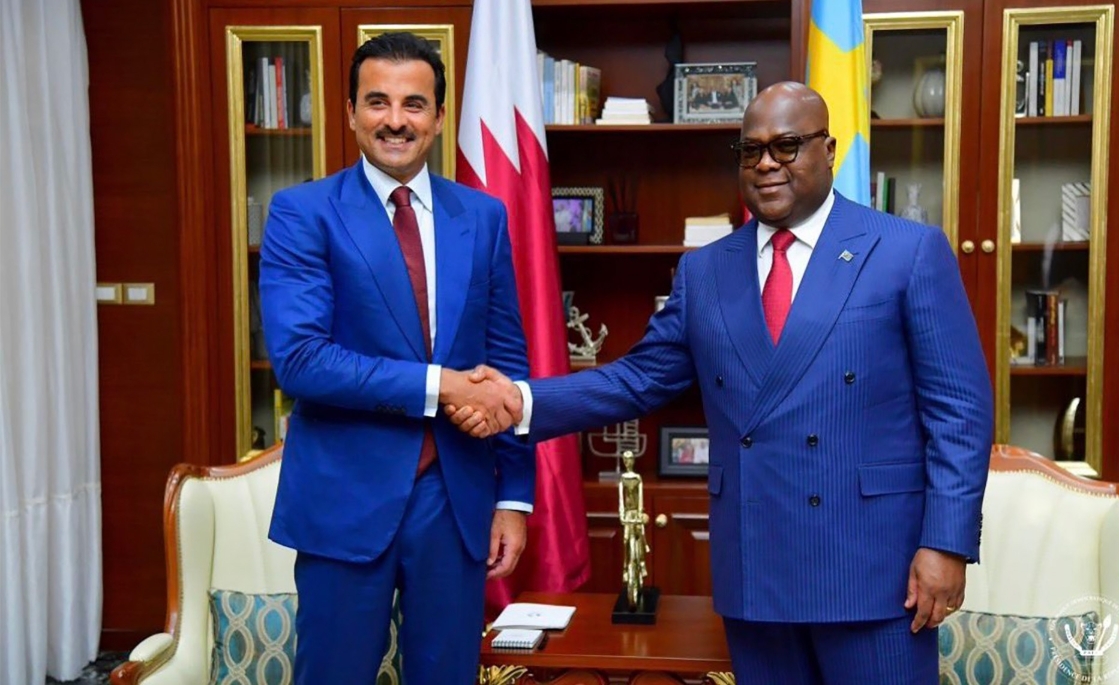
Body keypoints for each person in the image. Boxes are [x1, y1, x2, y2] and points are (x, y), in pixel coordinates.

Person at [450, 82, 993, 685]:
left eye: (787, 146)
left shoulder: (906, 250)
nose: (765, 163)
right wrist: (520, 400)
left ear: (829, 150)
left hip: (875, 570)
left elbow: (960, 412)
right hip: (756, 566)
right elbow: (641, 378)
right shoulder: (706, 268)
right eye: (750, 149)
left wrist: (945, 544)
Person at [257, 32, 529, 685]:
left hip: (456, 495)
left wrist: (515, 496)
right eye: (377, 102)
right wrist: (441, 385)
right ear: (350, 111)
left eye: (414, 103)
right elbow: (300, 360)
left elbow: (506, 360)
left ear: (438, 117)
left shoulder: (483, 217)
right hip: (343, 496)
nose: (396, 120)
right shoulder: (303, 214)